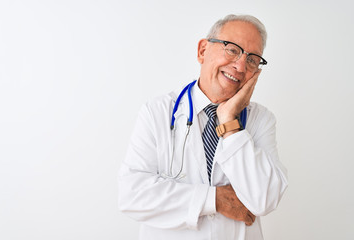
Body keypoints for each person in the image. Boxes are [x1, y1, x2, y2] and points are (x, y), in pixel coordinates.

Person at [118, 14, 288, 240]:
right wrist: (214, 200)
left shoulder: (261, 120)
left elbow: (263, 199)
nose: (239, 65)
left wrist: (229, 124)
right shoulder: (157, 112)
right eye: (232, 49)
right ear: (202, 50)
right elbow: (133, 195)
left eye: (252, 59)